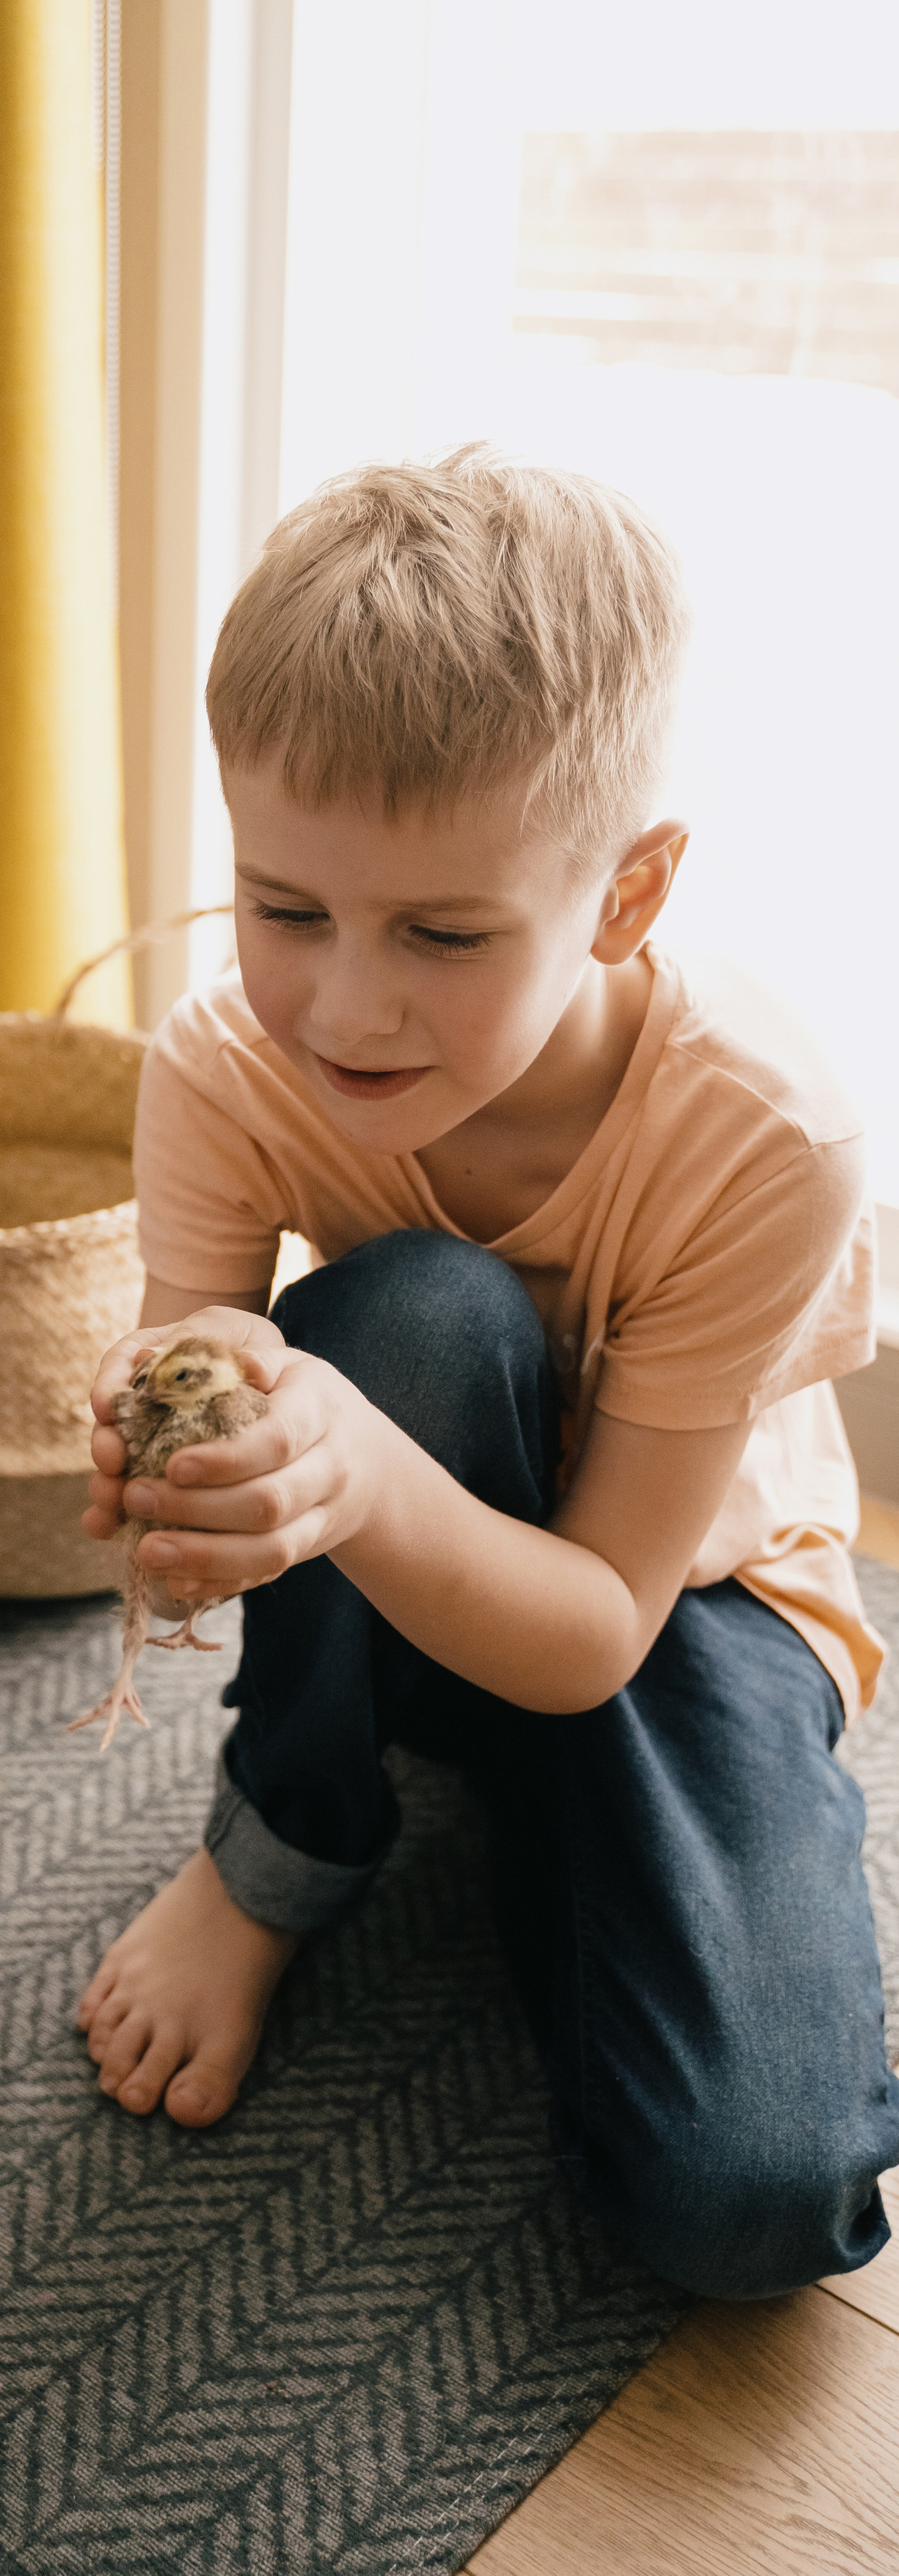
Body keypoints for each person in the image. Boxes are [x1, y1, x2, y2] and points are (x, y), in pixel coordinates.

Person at [76, 447, 899, 2299]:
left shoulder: (772, 1137)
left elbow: (604, 1616)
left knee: (756, 2204)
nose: (346, 1007)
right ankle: (288, 1838)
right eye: (285, 910)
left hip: (682, 1602)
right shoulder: (223, 1069)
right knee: (414, 1314)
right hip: (415, 1563)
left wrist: (350, 1474)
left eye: (443, 935)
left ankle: (551, 1823)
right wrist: (173, 1467)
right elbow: (194, 1370)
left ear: (627, 897)